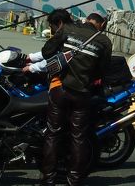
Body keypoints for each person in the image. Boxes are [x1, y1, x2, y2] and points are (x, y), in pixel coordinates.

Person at [39, 10, 112, 186]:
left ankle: (48, 179)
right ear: (101, 25)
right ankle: (74, 180)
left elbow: (46, 51)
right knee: (78, 137)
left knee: (52, 134)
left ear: (87, 20)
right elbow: (102, 71)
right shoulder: (104, 41)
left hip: (60, 88)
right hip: (82, 94)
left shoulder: (68, 29)